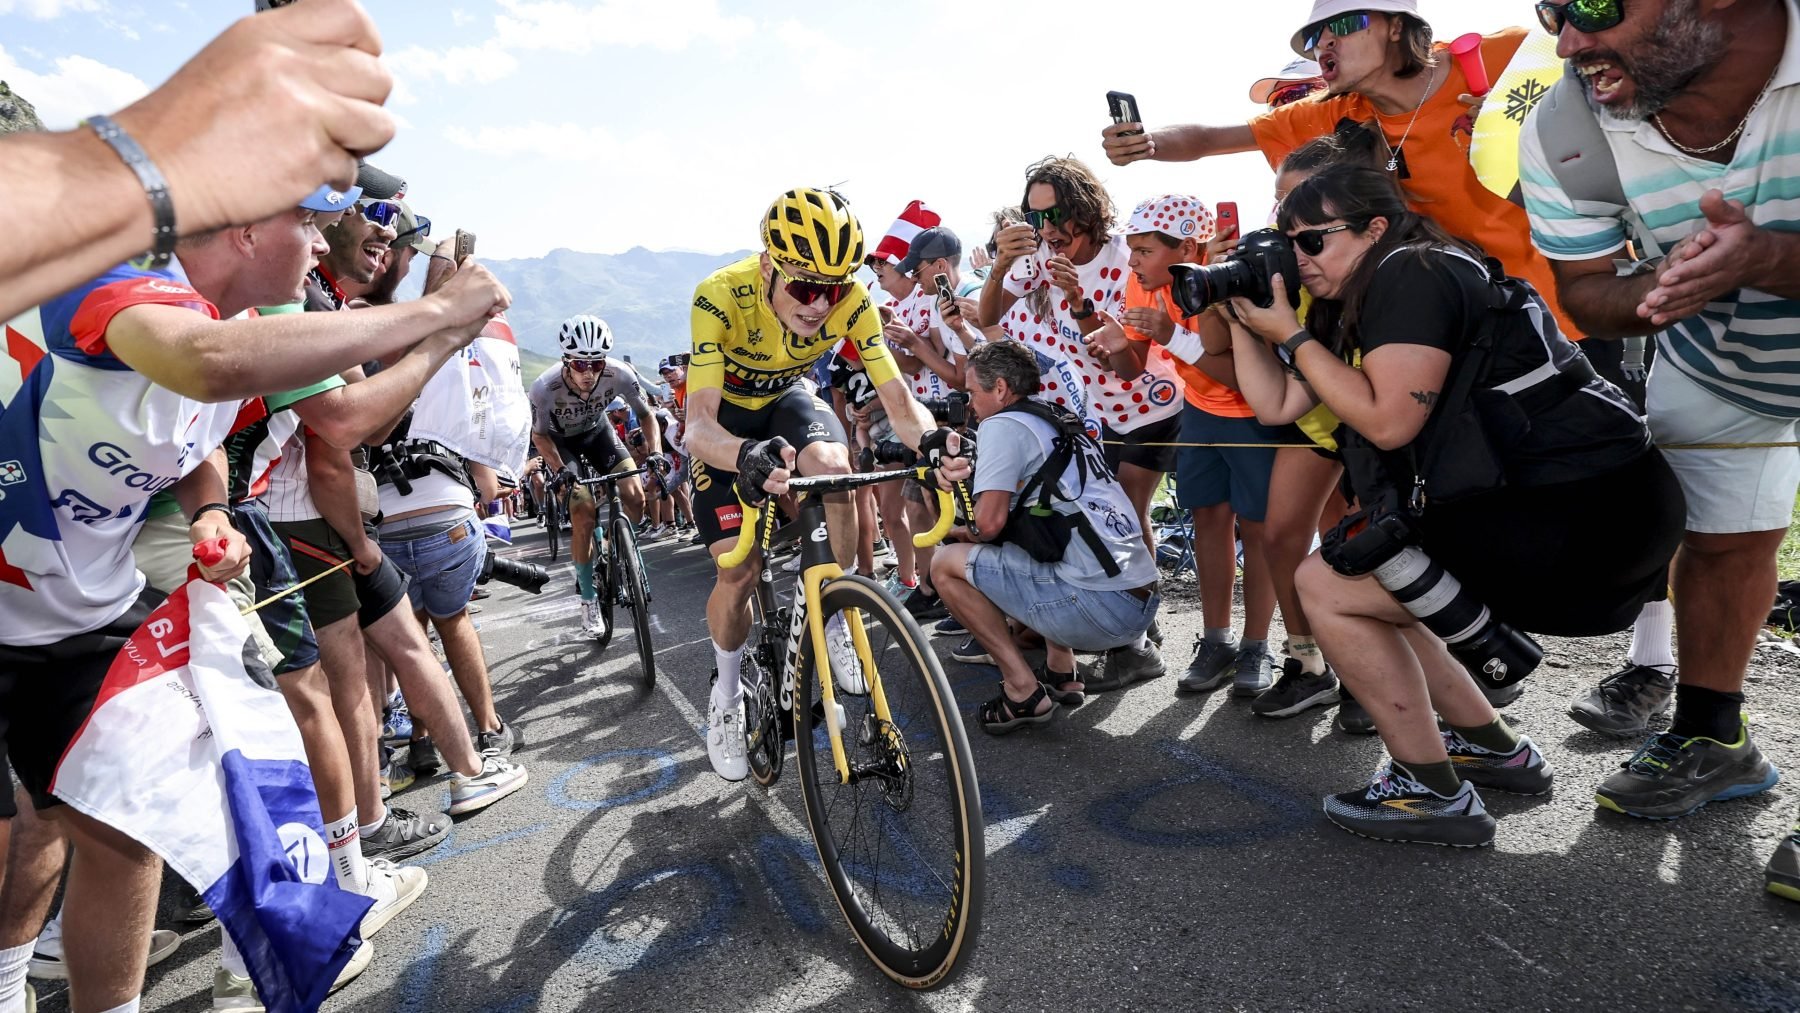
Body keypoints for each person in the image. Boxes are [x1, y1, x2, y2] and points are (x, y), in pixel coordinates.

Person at [1227, 164, 1684, 847]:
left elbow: (1386, 423)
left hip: (1587, 515)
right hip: (1575, 505)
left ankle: (1429, 790)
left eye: (1313, 240)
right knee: (1385, 577)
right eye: (1287, 242)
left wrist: (1292, 337)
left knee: (1326, 582)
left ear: (1374, 228)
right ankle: (1494, 747)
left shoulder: (1413, 273)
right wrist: (1240, 314)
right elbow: (1278, 403)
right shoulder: (1370, 287)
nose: (1297, 258)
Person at [1518, 0, 1800, 895]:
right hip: (1720, 363)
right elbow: (1586, 290)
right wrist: (1666, 281)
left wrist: (1767, 260)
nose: (1567, 42)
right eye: (1549, 12)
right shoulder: (1566, 125)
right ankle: (1715, 735)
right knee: (1715, 540)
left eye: (1593, 6)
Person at [1101, 1, 1584, 353]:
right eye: (1316, 37)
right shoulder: (1336, 112)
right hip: (1478, 325)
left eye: (1345, 25)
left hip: (1579, 303)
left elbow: (1619, 90)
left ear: (1398, 27)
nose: (1324, 43)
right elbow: (1210, 138)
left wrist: (1538, 118)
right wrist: (1147, 145)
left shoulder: (1503, 55)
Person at [684, 187, 957, 782]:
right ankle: (726, 694)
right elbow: (697, 427)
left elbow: (899, 401)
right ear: (767, 267)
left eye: (833, 289)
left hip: (785, 400)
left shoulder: (851, 300)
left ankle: (833, 618)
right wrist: (745, 455)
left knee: (835, 469)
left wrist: (932, 442)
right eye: (805, 286)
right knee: (739, 569)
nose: (819, 305)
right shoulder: (719, 296)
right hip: (728, 422)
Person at [0, 0, 395, 320]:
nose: (321, 242)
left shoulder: (209, 303)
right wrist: (437, 315)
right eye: (307, 220)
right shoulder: (140, 282)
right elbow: (206, 361)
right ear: (246, 231)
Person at [1094, 194, 1294, 702]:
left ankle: (1256, 645)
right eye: (1132, 249)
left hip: (1252, 415)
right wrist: (1117, 343)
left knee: (1257, 531)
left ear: (1187, 248)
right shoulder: (1143, 280)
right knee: (1208, 520)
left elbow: (1240, 374)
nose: (1132, 260)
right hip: (1201, 408)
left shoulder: (1230, 278)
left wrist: (1170, 335)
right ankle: (1217, 641)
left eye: (1142, 251)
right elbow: (1134, 363)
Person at [932, 341, 1164, 733]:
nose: (969, 404)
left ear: (1001, 388)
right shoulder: (1057, 416)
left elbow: (986, 526)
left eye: (972, 392)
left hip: (1101, 609)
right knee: (1036, 530)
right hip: (1140, 602)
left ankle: (1022, 691)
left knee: (945, 563)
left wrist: (956, 532)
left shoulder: (1001, 425)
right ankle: (1062, 671)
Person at [978, 157, 1186, 588]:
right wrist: (999, 267)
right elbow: (988, 317)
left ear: (1085, 209)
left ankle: (1139, 622)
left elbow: (1119, 360)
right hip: (1100, 411)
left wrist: (1076, 299)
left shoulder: (1125, 259)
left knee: (1129, 508)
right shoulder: (1039, 255)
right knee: (1106, 508)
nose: (1046, 229)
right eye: (1035, 217)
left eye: (1054, 214)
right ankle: (1127, 616)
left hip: (1151, 402)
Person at [529, 315, 668, 636]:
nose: (589, 373)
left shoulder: (620, 374)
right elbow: (539, 438)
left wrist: (656, 452)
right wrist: (560, 470)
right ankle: (589, 600)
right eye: (580, 365)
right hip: (561, 443)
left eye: (596, 363)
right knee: (583, 512)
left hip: (598, 433)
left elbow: (647, 417)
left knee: (635, 496)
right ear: (566, 361)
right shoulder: (544, 388)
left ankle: (620, 547)